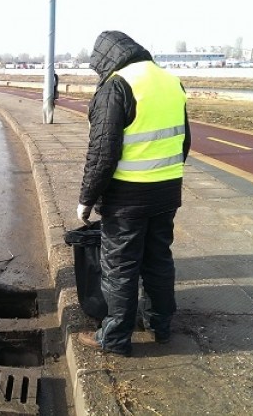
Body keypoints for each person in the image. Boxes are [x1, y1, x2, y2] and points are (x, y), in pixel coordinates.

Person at [76, 31, 191, 357]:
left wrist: (86, 200)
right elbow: (184, 142)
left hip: (127, 198)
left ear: (105, 59)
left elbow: (102, 153)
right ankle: (160, 326)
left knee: (120, 267)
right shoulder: (171, 81)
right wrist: (164, 177)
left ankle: (113, 338)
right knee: (159, 260)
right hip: (167, 191)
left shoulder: (117, 86)